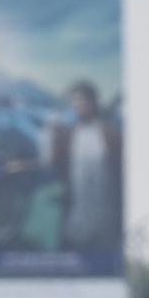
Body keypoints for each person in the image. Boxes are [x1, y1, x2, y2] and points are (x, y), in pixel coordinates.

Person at [42, 81, 122, 250]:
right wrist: (49, 134)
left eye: (83, 100)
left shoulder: (109, 133)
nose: (79, 105)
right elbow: (49, 163)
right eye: (75, 101)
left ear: (93, 102)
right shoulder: (68, 135)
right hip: (76, 219)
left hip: (107, 220)